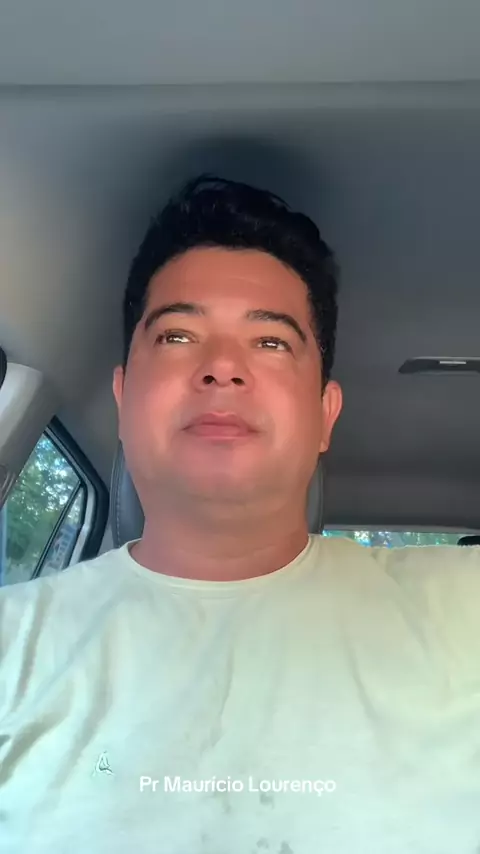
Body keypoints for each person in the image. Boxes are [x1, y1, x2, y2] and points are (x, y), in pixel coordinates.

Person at [1, 175, 479, 854]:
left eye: (272, 342)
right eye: (177, 335)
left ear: (325, 414)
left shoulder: (464, 606)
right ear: (123, 398)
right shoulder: (13, 644)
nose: (222, 367)